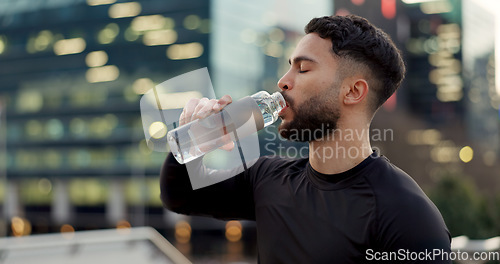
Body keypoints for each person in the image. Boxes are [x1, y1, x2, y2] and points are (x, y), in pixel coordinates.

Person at [160, 15, 451, 263]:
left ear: (353, 92)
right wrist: (194, 139)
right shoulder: (267, 177)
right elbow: (180, 196)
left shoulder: (407, 216)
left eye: (303, 68)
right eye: (288, 66)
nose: (283, 81)